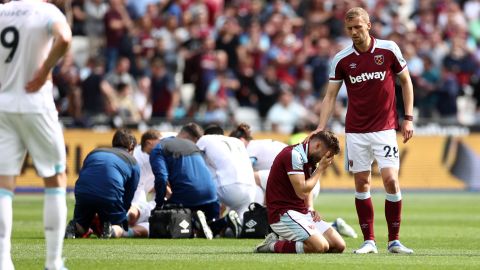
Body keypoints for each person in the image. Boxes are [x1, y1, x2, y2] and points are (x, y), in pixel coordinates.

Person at [314, 7, 414, 254]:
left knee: (391, 180)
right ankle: (369, 240)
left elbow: (406, 81)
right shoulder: (341, 59)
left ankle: (394, 241)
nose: (354, 32)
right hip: (356, 131)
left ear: (368, 25)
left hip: (385, 129)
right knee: (362, 183)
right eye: (349, 28)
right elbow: (330, 97)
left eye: (358, 27)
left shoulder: (388, 49)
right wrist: (320, 127)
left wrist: (408, 118)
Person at [0, 1, 72, 269]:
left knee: (3, 185)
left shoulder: (2, 11)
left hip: (4, 103)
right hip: (35, 103)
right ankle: (53, 263)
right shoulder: (46, 11)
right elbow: (64, 38)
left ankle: (3, 261)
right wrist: (44, 72)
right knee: (56, 177)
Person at [230, 123, 357, 239]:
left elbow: (246, 176)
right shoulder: (301, 153)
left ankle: (254, 223)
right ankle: (331, 225)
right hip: (303, 183)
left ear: (240, 141)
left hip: (300, 183)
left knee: (250, 183)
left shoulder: (247, 149)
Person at [144, 123, 241, 239]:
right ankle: (226, 220)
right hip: (211, 195)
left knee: (171, 216)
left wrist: (159, 203)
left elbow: (161, 178)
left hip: (186, 196)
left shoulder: (158, 149)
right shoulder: (192, 146)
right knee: (212, 228)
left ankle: (195, 220)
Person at [255, 131, 345, 254]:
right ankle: (272, 245)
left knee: (339, 245)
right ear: (317, 145)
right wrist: (320, 170)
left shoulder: (309, 157)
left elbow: (307, 187)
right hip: (282, 214)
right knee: (319, 247)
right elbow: (302, 190)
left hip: (300, 212)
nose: (324, 159)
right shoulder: (294, 155)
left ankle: (290, 239)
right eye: (325, 155)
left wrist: (309, 207)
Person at [65, 129, 140, 239]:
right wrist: (121, 216)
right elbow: (129, 194)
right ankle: (111, 229)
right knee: (119, 227)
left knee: (82, 224)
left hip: (83, 192)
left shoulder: (94, 152)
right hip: (110, 194)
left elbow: (84, 176)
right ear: (131, 147)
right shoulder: (133, 162)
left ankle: (75, 227)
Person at [196, 124, 256, 228]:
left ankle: (209, 221)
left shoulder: (205, 139)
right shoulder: (237, 141)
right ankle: (224, 221)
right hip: (250, 190)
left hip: (229, 188)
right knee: (234, 229)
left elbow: (195, 163)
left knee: (199, 174)